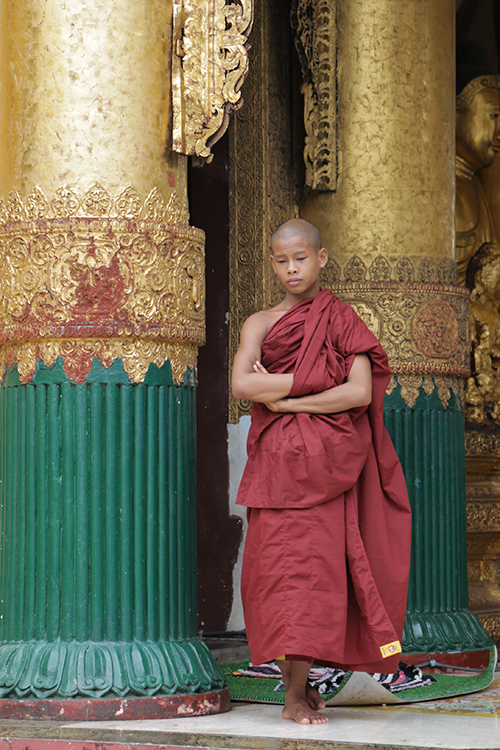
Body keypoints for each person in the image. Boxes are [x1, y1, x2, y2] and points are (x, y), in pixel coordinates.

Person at [231, 218, 411, 725]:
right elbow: (243, 385)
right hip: (276, 467)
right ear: (272, 262)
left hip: (329, 466)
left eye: (301, 258)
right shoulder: (260, 323)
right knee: (279, 575)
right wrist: (313, 385)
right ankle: (293, 694)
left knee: (316, 576)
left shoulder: (340, 317)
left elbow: (357, 392)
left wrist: (286, 401)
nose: (292, 269)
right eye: (282, 260)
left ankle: (301, 688)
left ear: (322, 257)